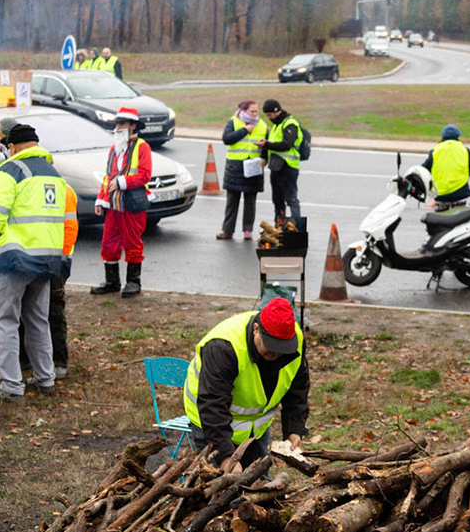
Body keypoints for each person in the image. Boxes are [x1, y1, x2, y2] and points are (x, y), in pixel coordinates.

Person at [0, 123, 67, 401]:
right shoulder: (54, 174)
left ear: (12, 146)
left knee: (5, 321)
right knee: (38, 320)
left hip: (15, 259)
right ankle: (45, 379)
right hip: (48, 259)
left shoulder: (9, 171)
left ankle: (12, 386)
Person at [183, 297, 309, 470]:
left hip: (255, 428)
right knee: (217, 487)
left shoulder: (294, 340)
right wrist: (226, 456)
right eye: (271, 349)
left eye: (282, 351)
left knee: (258, 482)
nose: (276, 356)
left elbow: (298, 389)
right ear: (256, 330)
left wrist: (294, 429)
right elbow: (213, 404)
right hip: (212, 424)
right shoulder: (224, 347)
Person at [91, 107, 153, 296]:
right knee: (108, 243)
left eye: (122, 123)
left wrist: (121, 182)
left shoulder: (142, 147)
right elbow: (108, 176)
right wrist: (101, 200)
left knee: (132, 242)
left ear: (133, 126)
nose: (118, 127)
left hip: (132, 203)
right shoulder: (114, 149)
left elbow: (144, 175)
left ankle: (134, 282)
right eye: (117, 123)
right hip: (114, 205)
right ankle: (112, 282)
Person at [217, 99, 266, 240]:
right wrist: (245, 130)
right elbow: (227, 139)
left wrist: (264, 155)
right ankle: (227, 230)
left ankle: (248, 230)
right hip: (236, 167)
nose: (255, 114)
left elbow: (267, 145)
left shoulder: (262, 125)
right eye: (252, 111)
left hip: (254, 166)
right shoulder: (233, 122)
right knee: (232, 201)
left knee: (250, 201)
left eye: (257, 111)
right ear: (244, 111)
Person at [261, 98, 305, 226]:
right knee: (277, 200)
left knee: (291, 199)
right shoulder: (276, 125)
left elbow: (287, 144)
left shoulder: (290, 123)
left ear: (277, 111)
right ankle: (279, 225)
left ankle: (296, 226)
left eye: (270, 115)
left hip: (288, 168)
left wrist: (267, 145)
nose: (269, 118)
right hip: (276, 168)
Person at [422, 125, 470, 207]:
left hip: (440, 195)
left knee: (440, 218)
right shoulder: (464, 150)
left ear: (443, 136)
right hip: (460, 193)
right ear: (458, 136)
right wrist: (462, 173)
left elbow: (424, 171)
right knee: (460, 218)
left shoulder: (435, 151)